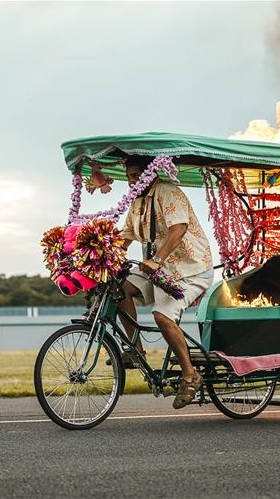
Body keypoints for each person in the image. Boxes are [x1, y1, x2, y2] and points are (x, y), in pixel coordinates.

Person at [118, 155, 214, 409]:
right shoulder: (137, 202)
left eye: (138, 175)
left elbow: (178, 228)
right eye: (129, 177)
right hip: (156, 269)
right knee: (119, 289)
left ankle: (190, 375)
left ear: (151, 172)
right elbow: (125, 236)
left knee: (162, 315)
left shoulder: (167, 191)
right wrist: (97, 257)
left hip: (189, 270)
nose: (133, 181)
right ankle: (135, 350)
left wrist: (158, 259)